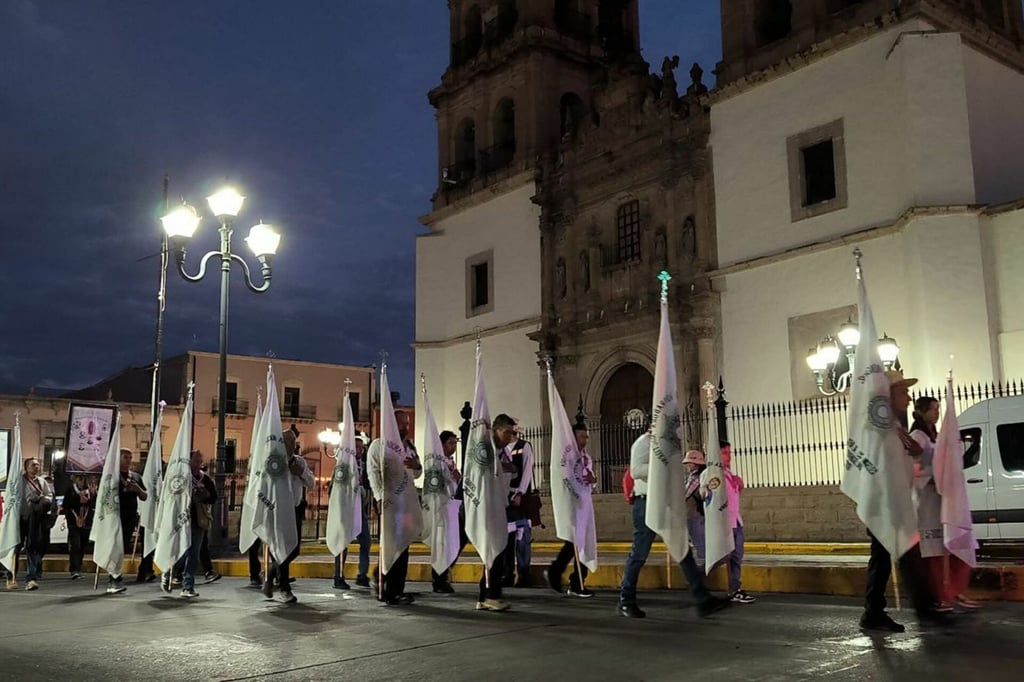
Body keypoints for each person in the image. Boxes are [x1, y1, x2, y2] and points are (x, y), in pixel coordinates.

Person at [860, 371, 947, 632]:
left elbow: (916, 451)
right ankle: (911, 610)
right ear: (889, 396)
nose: (909, 398)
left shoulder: (894, 427)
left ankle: (913, 609)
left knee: (895, 559)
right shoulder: (877, 429)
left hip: (896, 503)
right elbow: (877, 466)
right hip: (885, 505)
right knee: (893, 559)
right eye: (903, 392)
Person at [617, 432, 728, 619]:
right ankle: (626, 600)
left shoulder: (668, 446)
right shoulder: (642, 444)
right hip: (646, 502)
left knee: (683, 549)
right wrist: (660, 466)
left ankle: (702, 598)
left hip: (666, 502)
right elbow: (636, 470)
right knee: (639, 553)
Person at [909, 397, 978, 612]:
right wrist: (932, 478)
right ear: (921, 411)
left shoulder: (935, 435)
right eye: (933, 409)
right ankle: (938, 595)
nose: (936, 413)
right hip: (928, 498)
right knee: (934, 551)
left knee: (947, 548)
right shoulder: (917, 437)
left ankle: (951, 590)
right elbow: (913, 466)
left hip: (941, 498)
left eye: (938, 409)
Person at [368, 410, 422, 606]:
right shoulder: (378, 445)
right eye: (401, 423)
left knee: (403, 545)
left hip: (406, 505)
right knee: (390, 544)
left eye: (407, 424)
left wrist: (417, 465)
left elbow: (416, 474)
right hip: (390, 504)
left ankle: (395, 588)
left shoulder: (409, 446)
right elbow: (372, 472)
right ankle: (386, 586)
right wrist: (379, 497)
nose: (405, 427)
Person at [262, 428, 314, 604]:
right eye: (288, 441)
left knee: (294, 548)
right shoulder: (273, 462)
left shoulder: (300, 461)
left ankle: (270, 574)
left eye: (294, 441)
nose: (292, 445)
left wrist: (301, 473)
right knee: (282, 547)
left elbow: (312, 483)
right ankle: (284, 588)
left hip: (295, 509)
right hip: (278, 511)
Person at [545, 423, 595, 598]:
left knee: (580, 542)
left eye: (586, 437)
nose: (585, 440)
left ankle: (563, 575)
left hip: (585, 504)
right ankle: (573, 580)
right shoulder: (568, 457)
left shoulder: (586, 457)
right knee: (575, 542)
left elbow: (590, 479)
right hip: (573, 504)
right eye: (581, 436)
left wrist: (592, 478)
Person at [164, 450, 216, 599]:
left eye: (200, 461)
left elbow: (214, 497)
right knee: (183, 551)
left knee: (193, 553)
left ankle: (188, 586)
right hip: (181, 518)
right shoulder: (182, 478)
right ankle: (169, 573)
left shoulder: (205, 479)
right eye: (196, 461)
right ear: (189, 462)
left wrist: (205, 495)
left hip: (198, 519)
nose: (198, 464)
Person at [10, 458, 56, 591]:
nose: (36, 467)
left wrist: (43, 500)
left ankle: (31, 578)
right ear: (26, 467)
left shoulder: (42, 482)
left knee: (33, 548)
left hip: (35, 520)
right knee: (16, 548)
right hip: (19, 518)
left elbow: (49, 496)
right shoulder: (19, 481)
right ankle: (11, 576)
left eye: (37, 465)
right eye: (33, 465)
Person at [334, 433, 372, 590]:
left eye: (361, 447)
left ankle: (362, 574)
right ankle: (338, 576)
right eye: (356, 447)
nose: (359, 450)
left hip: (360, 506)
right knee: (342, 542)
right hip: (346, 507)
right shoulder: (343, 464)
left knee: (366, 541)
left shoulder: (363, 464)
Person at [719, 442, 755, 604]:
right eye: (725, 453)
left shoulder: (728, 473)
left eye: (729, 452)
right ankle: (696, 581)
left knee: (736, 556)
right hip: (725, 522)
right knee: (723, 558)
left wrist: (737, 484)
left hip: (736, 520)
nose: (729, 456)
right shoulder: (713, 474)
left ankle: (735, 588)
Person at [108, 448, 147, 595]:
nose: (129, 460)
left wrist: (137, 489)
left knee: (123, 547)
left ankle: (116, 576)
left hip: (129, 517)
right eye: (125, 457)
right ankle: (114, 578)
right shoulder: (111, 476)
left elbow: (145, 496)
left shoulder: (136, 477)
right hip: (114, 517)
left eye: (130, 457)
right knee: (114, 548)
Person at [430, 430, 464, 594]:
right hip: (443, 508)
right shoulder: (438, 462)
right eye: (450, 443)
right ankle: (439, 578)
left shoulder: (451, 462)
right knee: (443, 544)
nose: (454, 447)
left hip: (454, 506)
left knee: (457, 542)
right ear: (442, 444)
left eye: (455, 443)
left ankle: (445, 572)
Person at [502, 423, 535, 589]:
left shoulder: (524, 446)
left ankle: (524, 574)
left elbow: (527, 471)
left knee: (522, 537)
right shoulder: (502, 449)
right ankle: (508, 574)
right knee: (506, 539)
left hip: (519, 498)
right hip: (505, 498)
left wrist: (520, 492)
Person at [64, 474, 97, 580]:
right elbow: (66, 505)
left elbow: (95, 505)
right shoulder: (71, 490)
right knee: (75, 545)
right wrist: (78, 498)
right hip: (74, 522)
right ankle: (74, 569)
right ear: (75, 480)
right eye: (80, 479)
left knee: (83, 546)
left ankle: (79, 567)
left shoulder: (91, 490)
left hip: (86, 521)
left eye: (85, 479)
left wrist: (91, 498)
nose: (82, 482)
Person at [683, 450, 706, 570]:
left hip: (693, 514)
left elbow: (685, 495)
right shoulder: (703, 475)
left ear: (695, 464)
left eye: (689, 463)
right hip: (700, 514)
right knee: (700, 540)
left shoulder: (695, 477)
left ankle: (702, 570)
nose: (687, 465)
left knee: (698, 542)